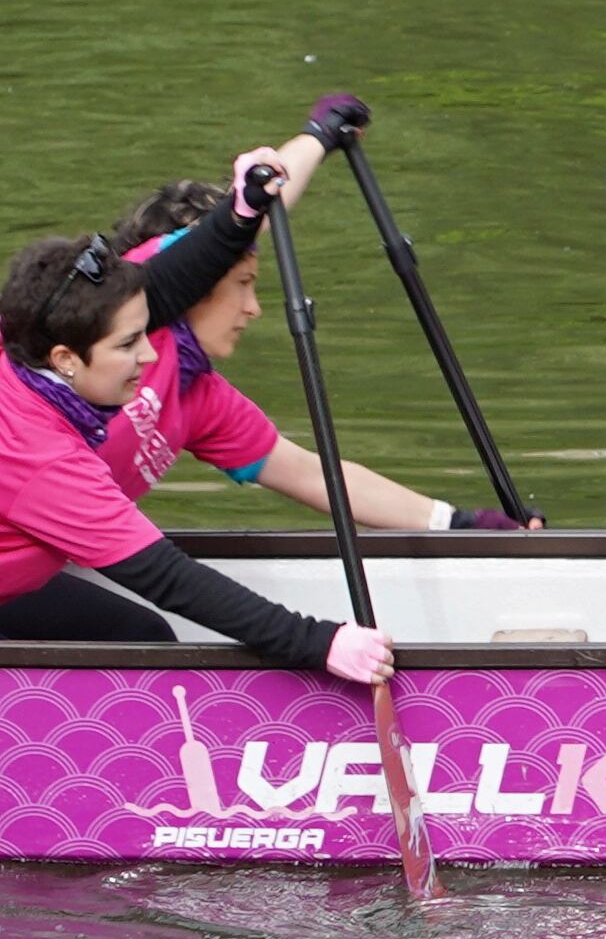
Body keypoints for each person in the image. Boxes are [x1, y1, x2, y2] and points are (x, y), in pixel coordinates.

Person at [1, 180, 398, 681]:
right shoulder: (40, 457)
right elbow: (167, 577)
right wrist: (319, 643)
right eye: (128, 345)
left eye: (147, 333)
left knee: (139, 638)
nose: (149, 354)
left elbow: (171, 282)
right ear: (65, 359)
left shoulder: (25, 333)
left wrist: (246, 208)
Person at [103, 97, 538, 533]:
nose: (254, 308)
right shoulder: (117, 311)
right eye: (242, 283)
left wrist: (463, 524)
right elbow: (233, 228)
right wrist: (316, 137)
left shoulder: (199, 397)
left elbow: (317, 477)